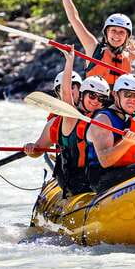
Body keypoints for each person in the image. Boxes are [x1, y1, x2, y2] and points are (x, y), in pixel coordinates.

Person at [24, 49, 110, 196]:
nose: (96, 101)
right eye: (92, 96)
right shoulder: (66, 118)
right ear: (83, 94)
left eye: (101, 99)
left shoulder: (102, 116)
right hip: (76, 179)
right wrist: (69, 61)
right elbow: (38, 150)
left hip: (95, 173)